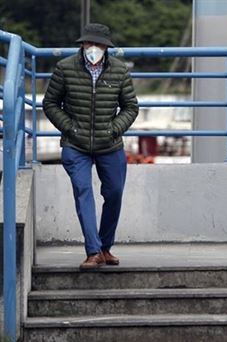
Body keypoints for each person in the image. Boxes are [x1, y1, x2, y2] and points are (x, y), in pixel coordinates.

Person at [43, 23, 138, 269]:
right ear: (82, 44)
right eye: (89, 43)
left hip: (110, 144)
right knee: (83, 191)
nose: (93, 48)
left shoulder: (119, 71)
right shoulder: (65, 68)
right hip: (76, 145)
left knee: (114, 193)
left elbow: (131, 107)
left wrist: (114, 128)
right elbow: (50, 103)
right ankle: (93, 251)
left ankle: (105, 247)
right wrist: (70, 127)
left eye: (98, 44)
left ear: (107, 47)